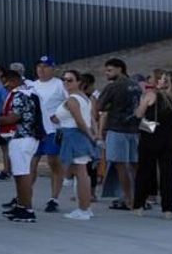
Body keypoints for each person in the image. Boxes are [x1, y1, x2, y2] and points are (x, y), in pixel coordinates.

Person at [130, 69, 172, 219]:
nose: (157, 81)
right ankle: (168, 209)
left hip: (151, 135)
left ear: (164, 82)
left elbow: (139, 114)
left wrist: (141, 104)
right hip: (171, 137)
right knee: (168, 173)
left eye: (160, 79)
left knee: (145, 171)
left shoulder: (151, 95)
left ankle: (138, 205)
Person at [0, 65, 45, 222]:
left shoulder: (18, 95)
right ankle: (21, 206)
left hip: (22, 138)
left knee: (23, 175)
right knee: (19, 174)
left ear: (13, 81)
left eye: (6, 82)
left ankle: (28, 210)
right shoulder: (30, 93)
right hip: (28, 138)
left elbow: (14, 117)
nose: (5, 86)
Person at [95, 58, 140, 210]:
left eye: (109, 70)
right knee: (134, 165)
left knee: (121, 165)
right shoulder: (136, 85)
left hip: (117, 129)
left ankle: (128, 199)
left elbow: (99, 107)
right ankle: (139, 197)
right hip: (135, 129)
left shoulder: (113, 87)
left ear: (120, 69)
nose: (106, 73)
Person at [55, 69, 99, 220]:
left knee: (81, 173)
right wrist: (93, 134)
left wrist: (91, 135)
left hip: (74, 136)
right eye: (64, 80)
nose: (66, 83)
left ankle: (84, 209)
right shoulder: (83, 98)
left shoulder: (73, 99)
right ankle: (85, 208)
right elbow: (91, 118)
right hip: (74, 135)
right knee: (79, 173)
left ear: (79, 82)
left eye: (70, 80)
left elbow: (81, 121)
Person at [28, 57, 68, 214]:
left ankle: (54, 198)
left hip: (56, 130)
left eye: (45, 66)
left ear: (52, 68)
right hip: (36, 130)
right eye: (39, 66)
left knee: (53, 161)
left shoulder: (59, 84)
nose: (41, 69)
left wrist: (60, 115)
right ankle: (25, 197)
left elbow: (70, 101)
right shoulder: (32, 85)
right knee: (31, 162)